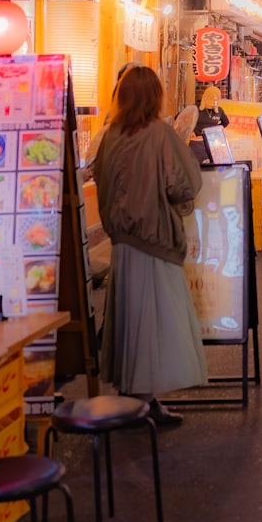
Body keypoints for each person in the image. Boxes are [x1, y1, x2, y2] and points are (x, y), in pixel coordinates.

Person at [94, 65, 208, 425]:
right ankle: (144, 405)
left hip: (122, 245)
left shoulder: (110, 136)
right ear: (155, 97)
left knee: (128, 318)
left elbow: (101, 181)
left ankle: (135, 398)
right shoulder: (160, 133)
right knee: (154, 323)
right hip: (154, 240)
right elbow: (184, 185)